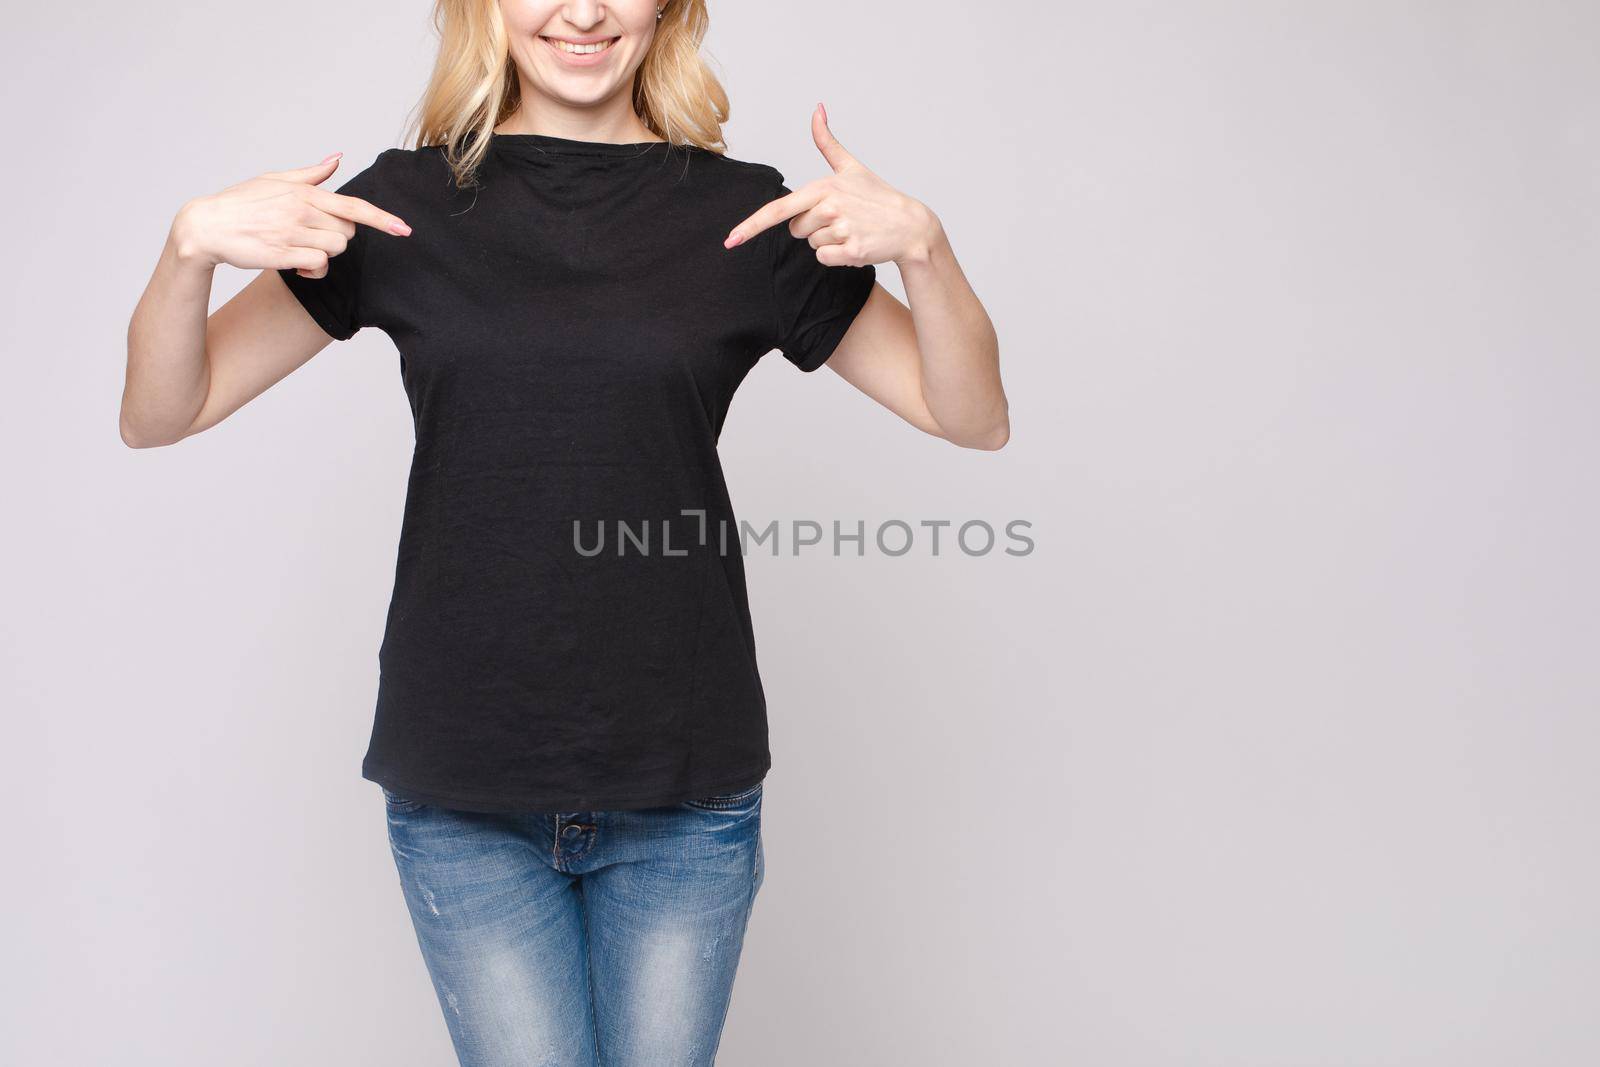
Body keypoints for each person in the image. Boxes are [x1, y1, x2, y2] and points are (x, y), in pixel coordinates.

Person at [121, 1, 1008, 1063]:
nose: (582, 11)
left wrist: (929, 251)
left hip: (685, 784)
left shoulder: (744, 218)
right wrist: (185, 252)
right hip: (464, 784)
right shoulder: (404, 208)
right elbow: (163, 410)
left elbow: (970, 415)